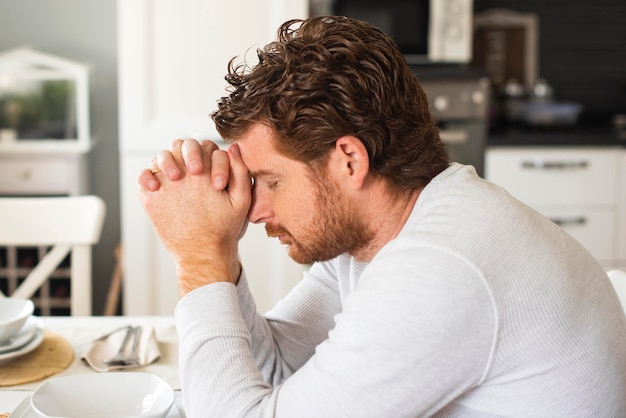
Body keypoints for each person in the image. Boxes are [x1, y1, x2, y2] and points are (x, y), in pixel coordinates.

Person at [137, 16, 626, 417]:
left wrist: (199, 258)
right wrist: (218, 253)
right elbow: (281, 369)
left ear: (350, 160)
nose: (255, 209)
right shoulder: (385, 232)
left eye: (271, 181)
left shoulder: (440, 267)